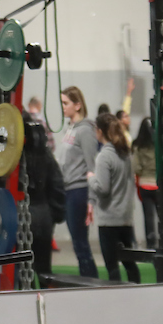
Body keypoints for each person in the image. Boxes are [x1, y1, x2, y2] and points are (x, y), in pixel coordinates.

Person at [88, 113, 140, 283]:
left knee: (112, 268)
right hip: (125, 219)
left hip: (109, 221)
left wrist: (90, 178)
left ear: (99, 131)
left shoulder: (104, 156)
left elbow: (102, 189)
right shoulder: (125, 153)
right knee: (130, 265)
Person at [59, 86, 99, 277]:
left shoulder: (86, 131)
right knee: (77, 243)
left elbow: (92, 167)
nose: (62, 107)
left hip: (79, 191)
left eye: (65, 103)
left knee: (81, 244)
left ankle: (91, 282)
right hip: (69, 189)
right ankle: (87, 280)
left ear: (78, 105)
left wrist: (91, 200)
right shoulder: (71, 129)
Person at [20, 112, 65, 278]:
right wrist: (55, 214)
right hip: (43, 215)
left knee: (21, 270)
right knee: (44, 270)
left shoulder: (13, 158)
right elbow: (57, 185)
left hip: (22, 215)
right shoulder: (45, 155)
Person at [131, 117, 159, 249]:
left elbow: (136, 168)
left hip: (144, 184)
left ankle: (151, 243)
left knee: (148, 216)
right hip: (158, 184)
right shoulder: (159, 145)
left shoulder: (137, 146)